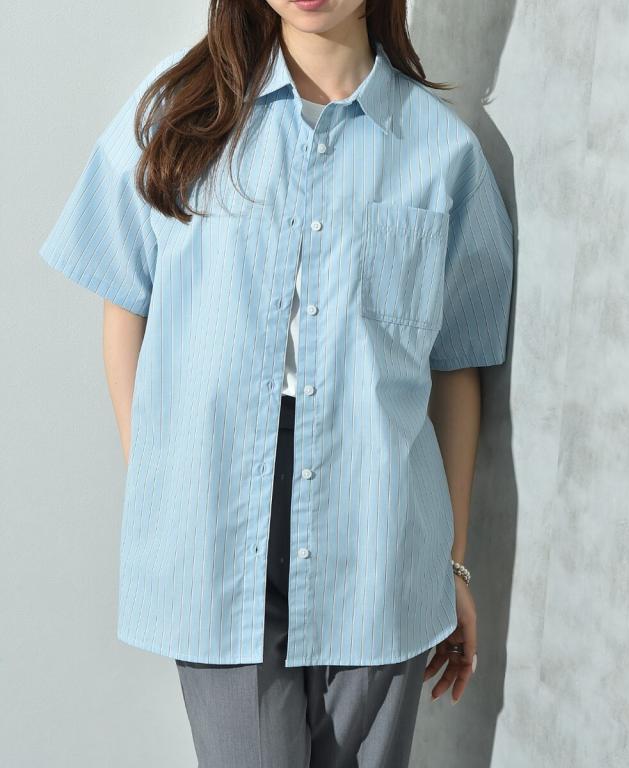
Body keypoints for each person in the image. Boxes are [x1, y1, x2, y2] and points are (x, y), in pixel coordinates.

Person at [38, 0, 514, 765]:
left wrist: (452, 562)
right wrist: (160, 479)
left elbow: (456, 369)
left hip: (380, 530)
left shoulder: (443, 152)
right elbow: (124, 302)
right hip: (215, 515)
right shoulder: (180, 115)